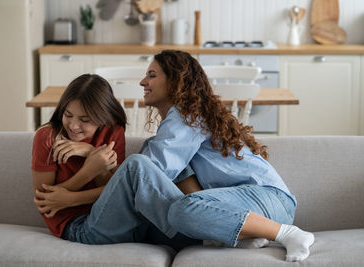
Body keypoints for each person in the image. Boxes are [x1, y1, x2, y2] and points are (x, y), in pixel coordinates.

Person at [34, 51, 314, 261]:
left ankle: (285, 233)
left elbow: (142, 175)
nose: (143, 81)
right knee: (167, 204)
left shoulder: (185, 117)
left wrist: (86, 167)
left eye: (152, 75)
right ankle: (233, 235)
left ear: (175, 81)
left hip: (264, 198)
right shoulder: (174, 129)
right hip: (245, 202)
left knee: (171, 198)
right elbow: (164, 182)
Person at [31, 73, 127, 238]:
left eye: (84, 119)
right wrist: (89, 171)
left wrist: (90, 152)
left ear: (103, 117)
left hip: (110, 215)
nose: (74, 126)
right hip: (75, 224)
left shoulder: (113, 132)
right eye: (68, 115)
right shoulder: (47, 137)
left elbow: (117, 192)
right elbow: (45, 202)